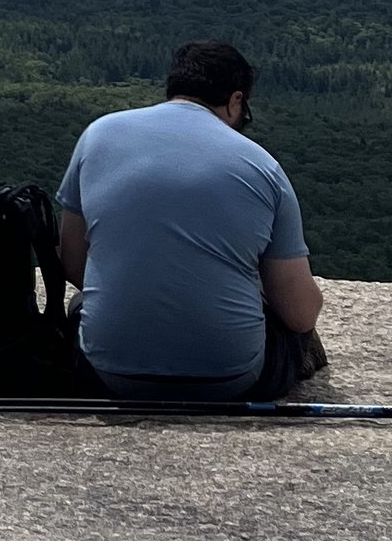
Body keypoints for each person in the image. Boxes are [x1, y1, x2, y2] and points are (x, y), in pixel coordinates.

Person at [55, 41, 327, 401]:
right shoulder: (264, 169)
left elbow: (73, 262)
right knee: (297, 333)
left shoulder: (97, 136)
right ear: (235, 101)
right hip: (232, 379)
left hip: (107, 373)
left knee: (80, 306)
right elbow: (299, 315)